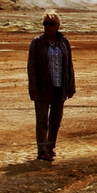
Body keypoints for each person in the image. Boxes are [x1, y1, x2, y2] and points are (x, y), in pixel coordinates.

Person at [26, 11, 76, 161]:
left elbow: (69, 66)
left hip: (59, 86)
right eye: (45, 24)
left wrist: (71, 86)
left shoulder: (64, 42)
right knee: (42, 121)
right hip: (42, 87)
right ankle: (41, 151)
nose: (47, 27)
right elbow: (32, 67)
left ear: (57, 26)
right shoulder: (37, 42)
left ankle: (50, 146)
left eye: (50, 24)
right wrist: (33, 89)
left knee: (56, 120)